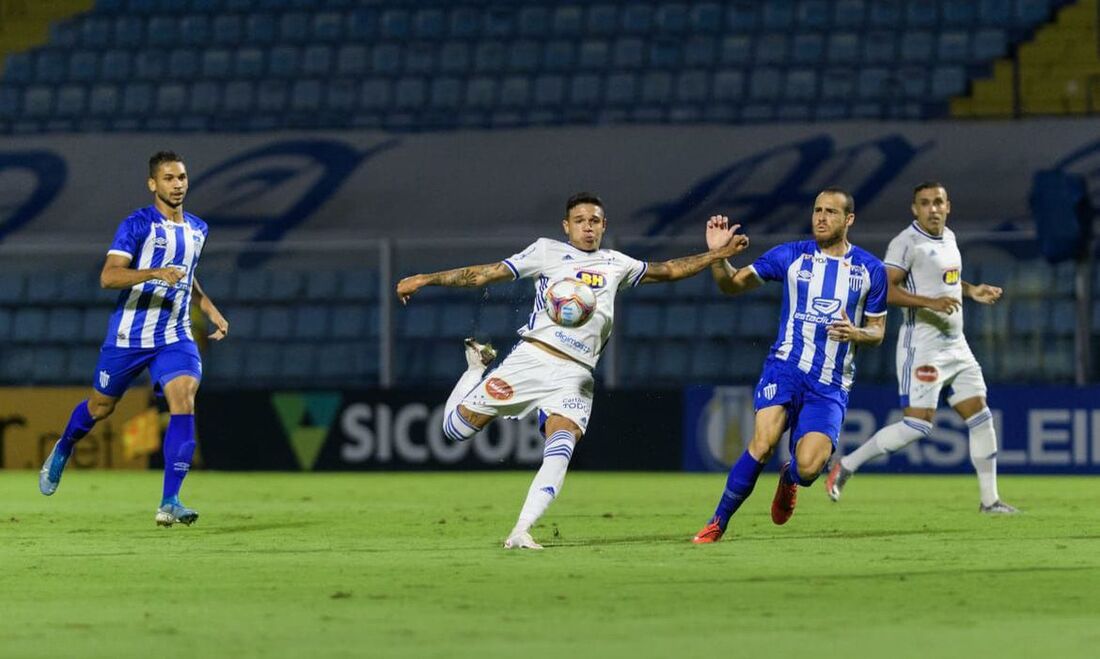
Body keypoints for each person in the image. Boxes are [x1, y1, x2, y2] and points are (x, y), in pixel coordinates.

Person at [396, 192, 749, 550]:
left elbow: (670, 270)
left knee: (561, 446)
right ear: (567, 227)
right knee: (455, 431)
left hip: (575, 375)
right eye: (580, 220)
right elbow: (484, 275)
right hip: (532, 359)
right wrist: (426, 278)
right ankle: (476, 368)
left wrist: (717, 254)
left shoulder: (616, 263)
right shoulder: (546, 252)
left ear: (604, 225)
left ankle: (521, 530)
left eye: (594, 220)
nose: (587, 227)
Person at [39, 151, 229, 527]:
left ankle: (170, 500)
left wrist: (211, 310)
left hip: (175, 335)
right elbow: (109, 277)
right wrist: (154, 272)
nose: (178, 184)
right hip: (129, 336)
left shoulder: (198, 229)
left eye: (182, 177)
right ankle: (64, 446)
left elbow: (187, 275)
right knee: (99, 408)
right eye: (169, 178)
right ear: (152, 184)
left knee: (184, 399)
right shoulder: (137, 224)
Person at [692, 188, 888, 544]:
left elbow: (877, 332)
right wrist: (718, 255)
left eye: (831, 211)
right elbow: (732, 286)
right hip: (785, 368)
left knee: (810, 469)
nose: (821, 217)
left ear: (849, 220)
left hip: (830, 385)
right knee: (763, 442)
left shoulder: (871, 270)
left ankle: (790, 478)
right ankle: (717, 522)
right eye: (817, 210)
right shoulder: (791, 255)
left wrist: (856, 333)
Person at [825, 182, 1017, 514]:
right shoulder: (906, 243)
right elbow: (883, 290)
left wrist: (971, 291)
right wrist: (930, 303)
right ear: (915, 209)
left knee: (981, 416)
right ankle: (847, 465)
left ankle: (990, 502)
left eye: (938, 202)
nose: (932, 208)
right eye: (925, 203)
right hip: (922, 346)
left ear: (948, 206)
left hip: (957, 346)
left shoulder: (950, 238)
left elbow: (947, 282)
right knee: (918, 426)